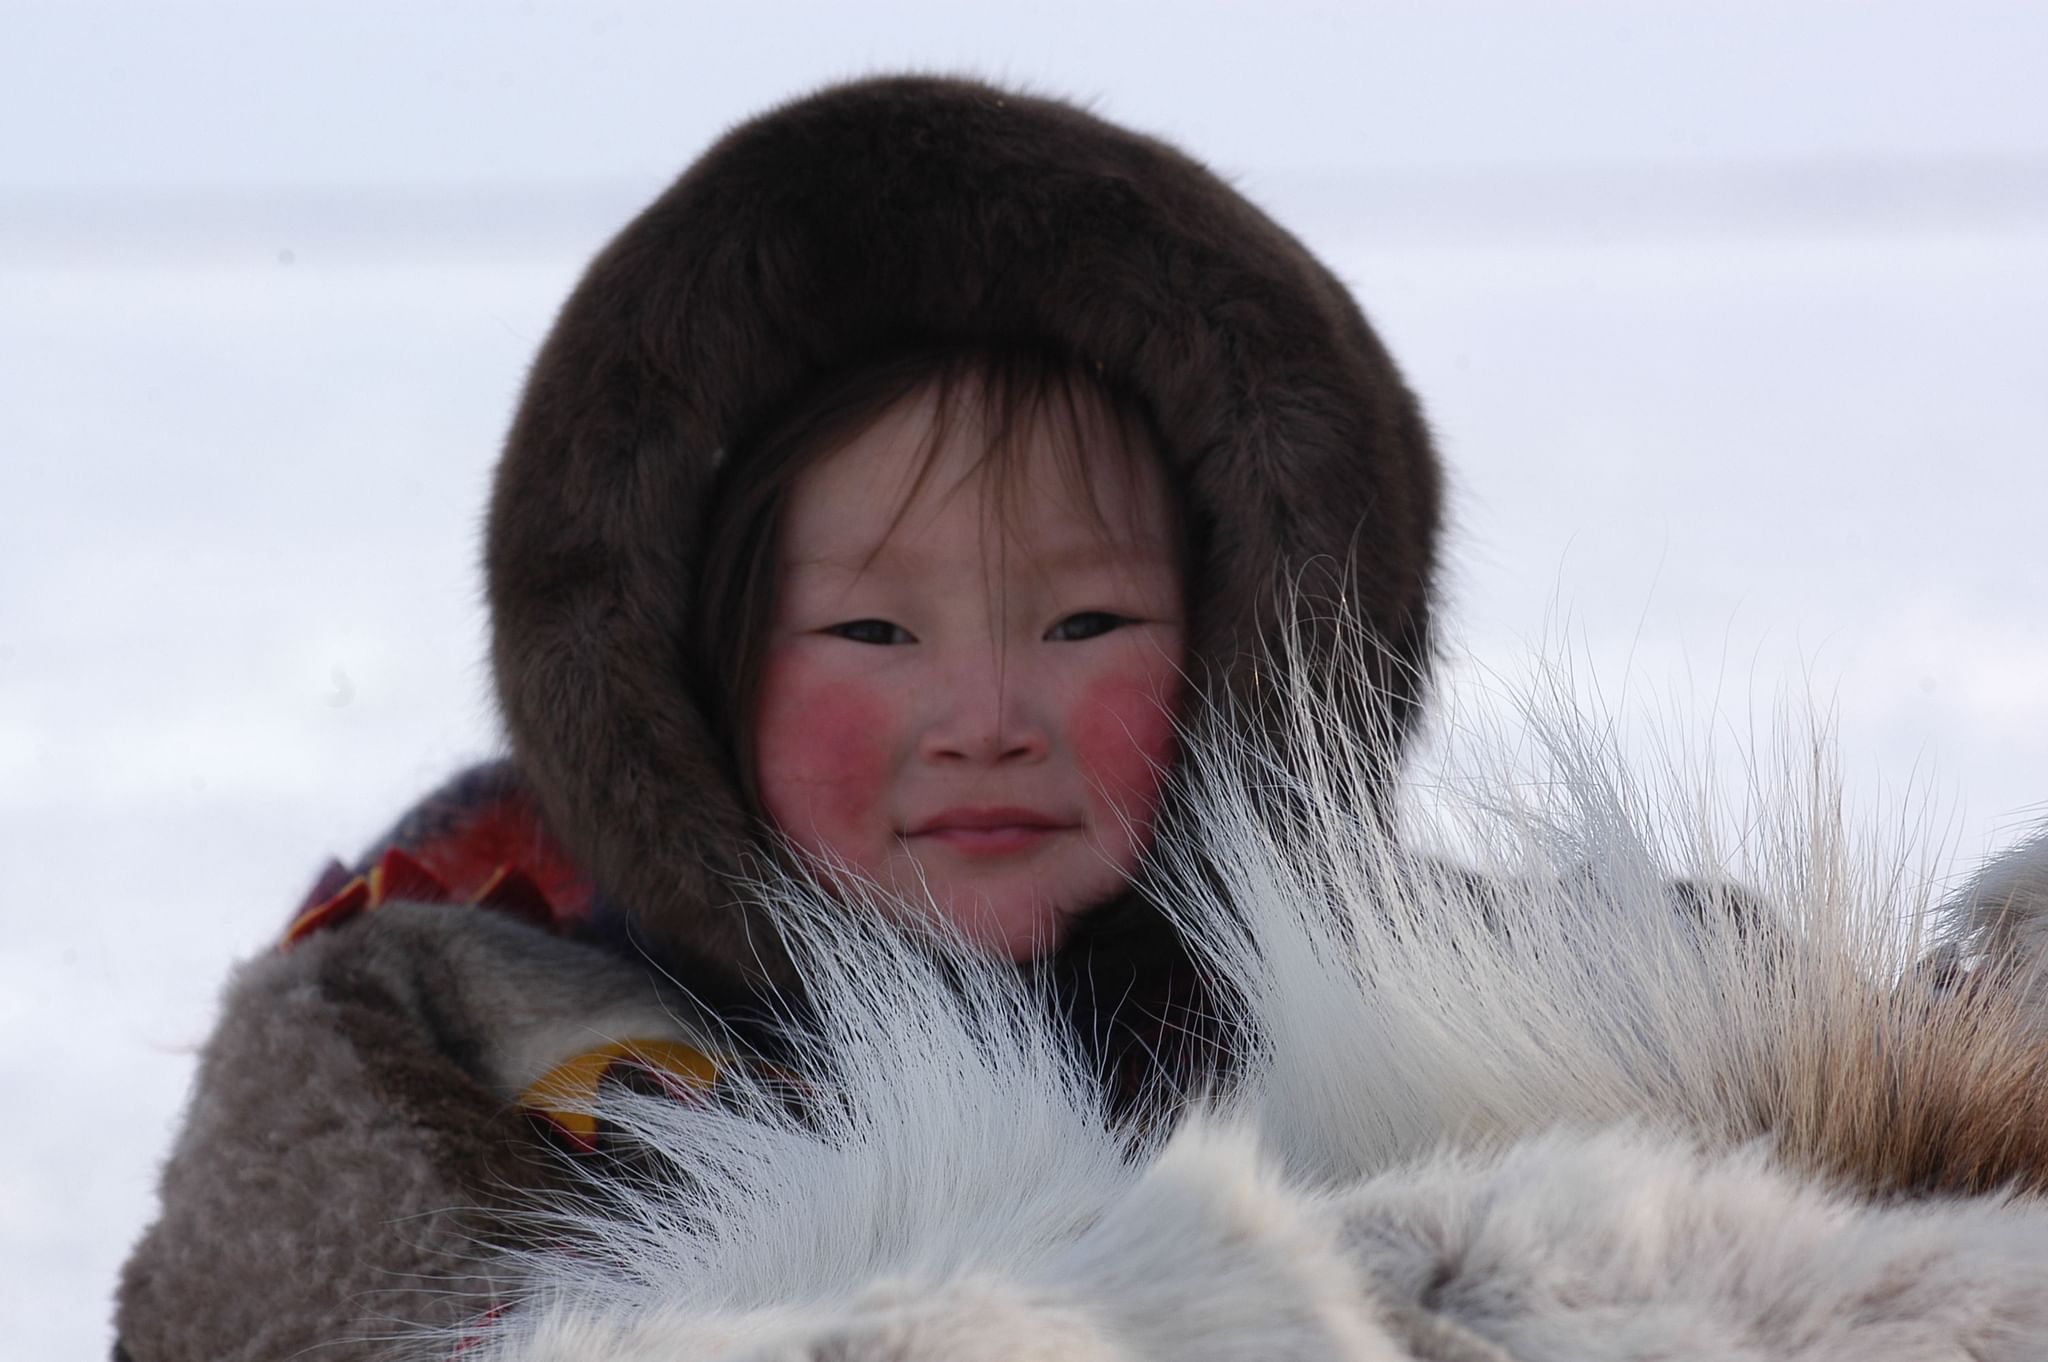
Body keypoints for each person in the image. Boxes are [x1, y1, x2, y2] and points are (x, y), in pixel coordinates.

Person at [113, 75, 1442, 1361]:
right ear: (688, 680)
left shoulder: (1411, 1037)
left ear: (1238, 647)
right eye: (874, 631)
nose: (987, 719)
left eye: (1084, 624)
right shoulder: (434, 1056)